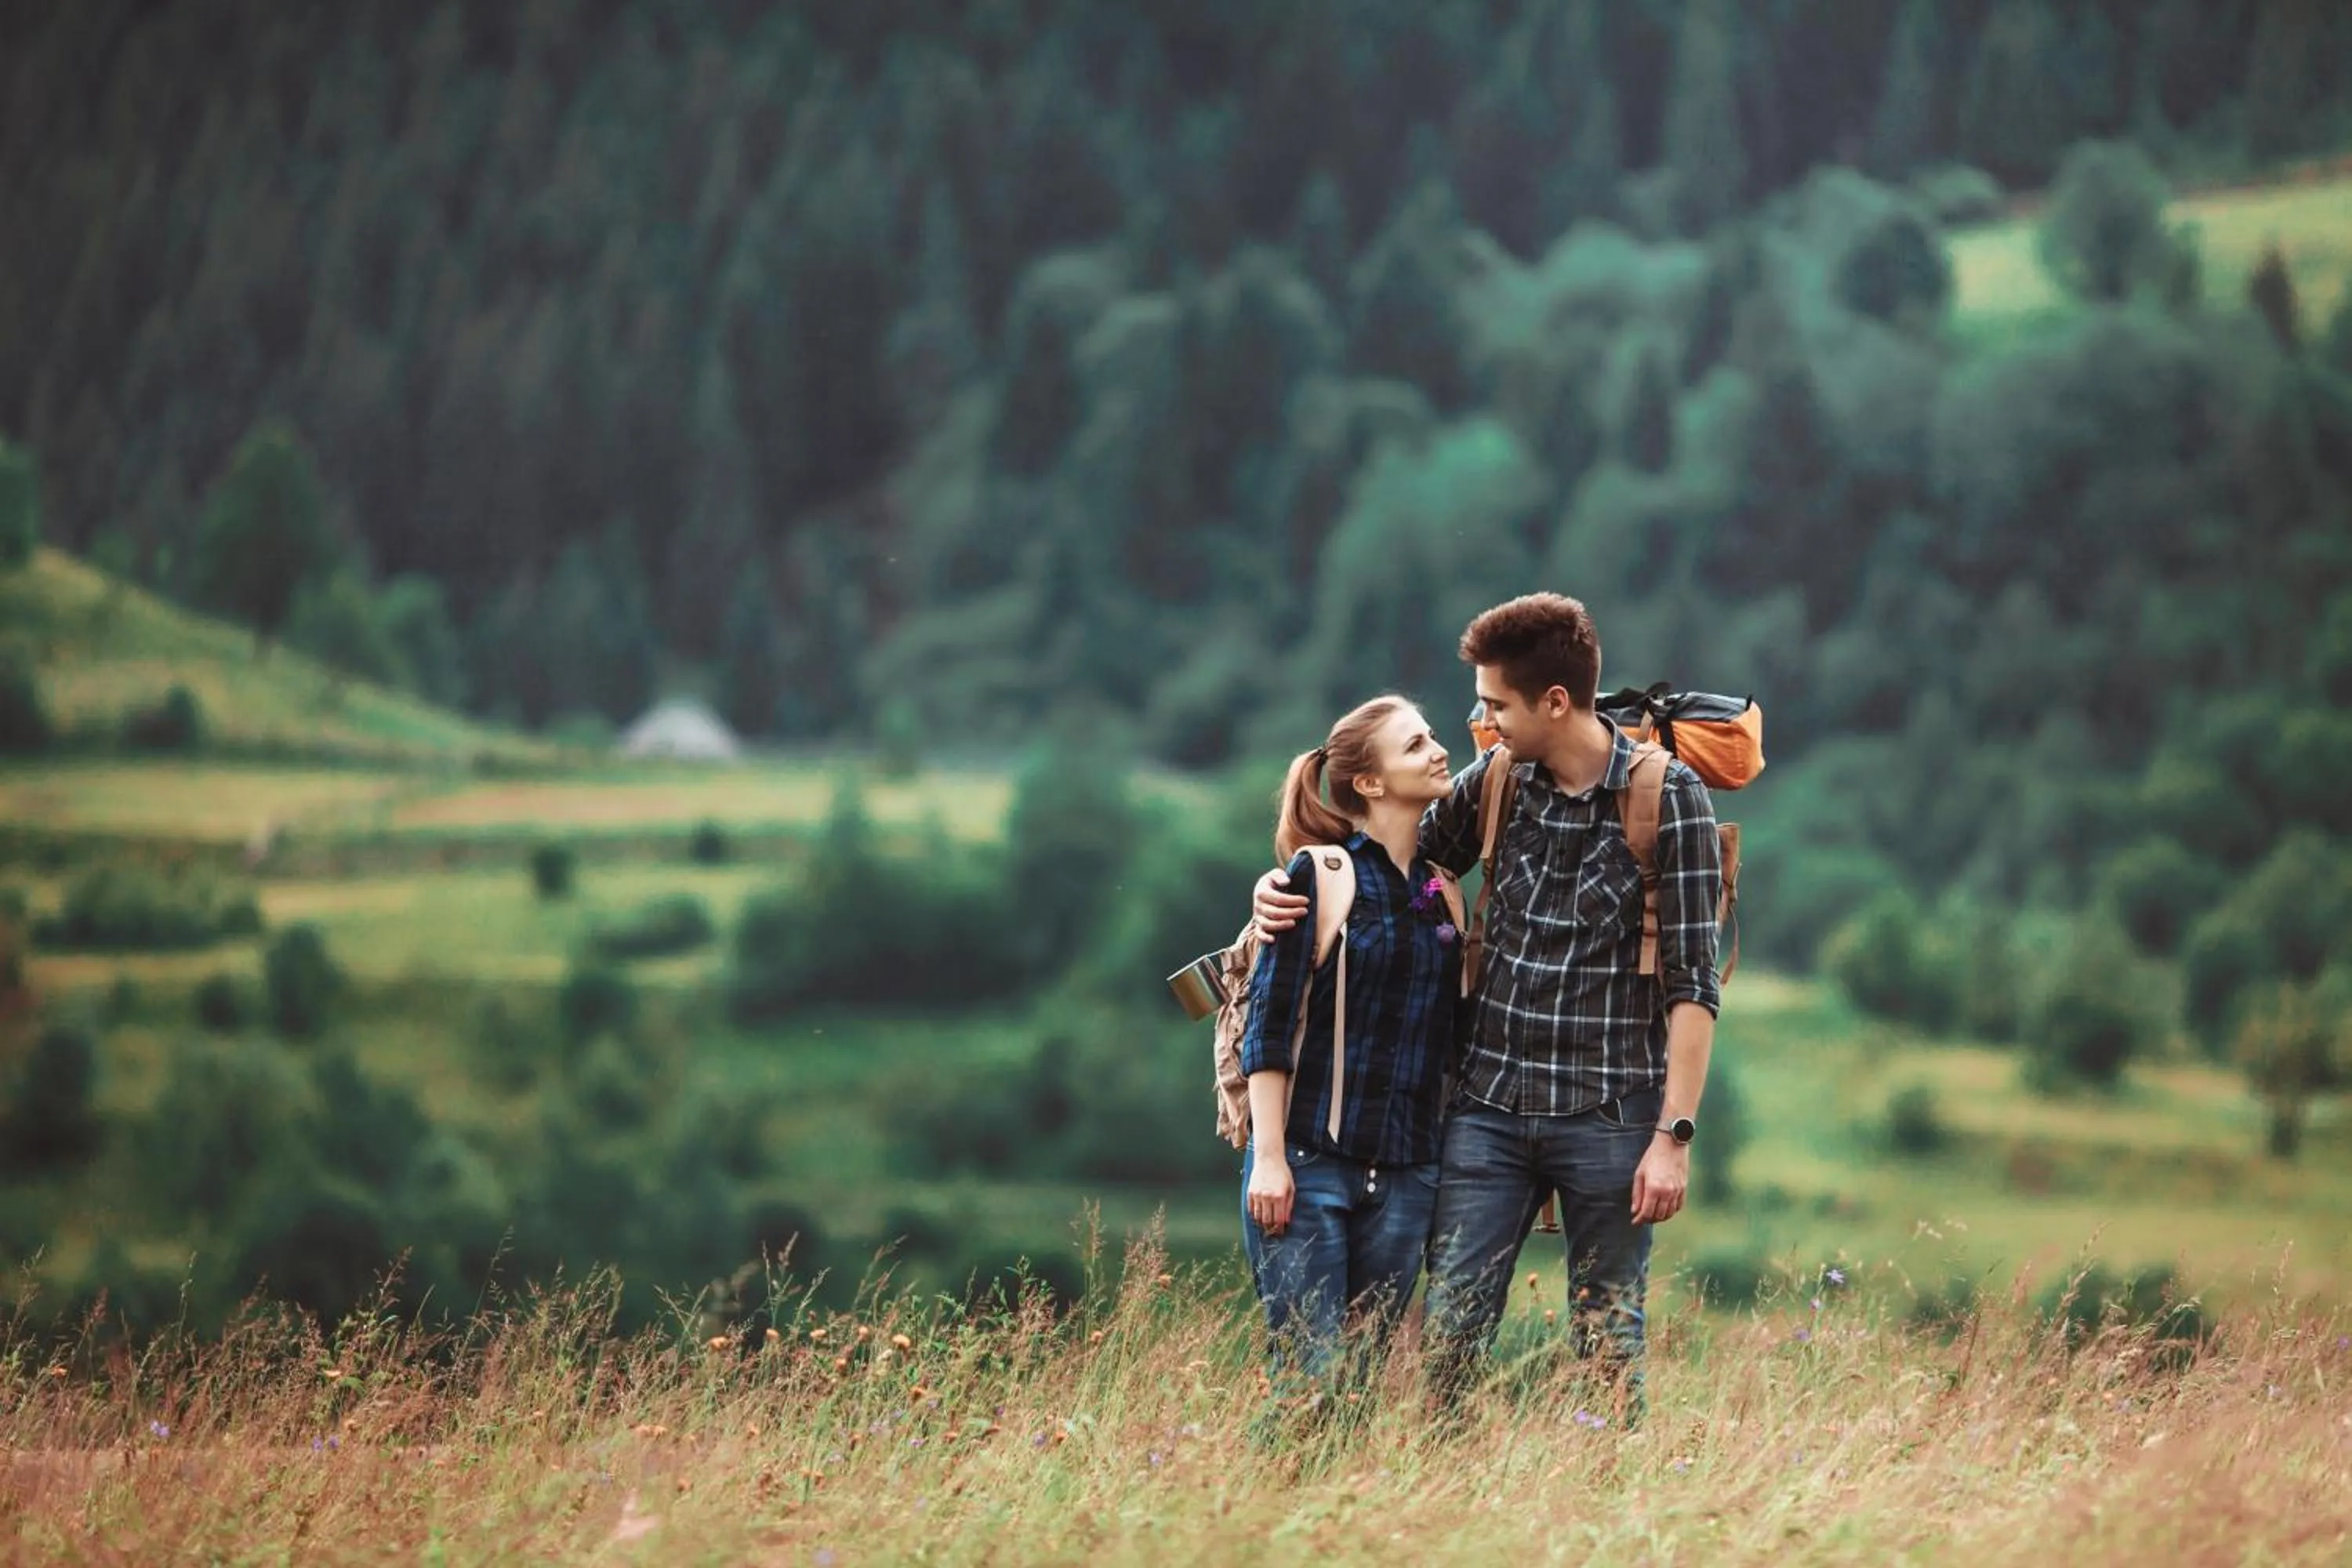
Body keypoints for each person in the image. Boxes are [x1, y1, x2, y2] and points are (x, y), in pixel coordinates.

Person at [1254, 594, 1722, 1426]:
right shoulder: (1499, 779)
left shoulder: (1670, 797)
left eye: (1496, 704)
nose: (1482, 722)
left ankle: (1613, 1491)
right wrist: (1286, 883)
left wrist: (1672, 1139)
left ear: (1554, 701)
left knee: (1609, 1338)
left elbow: (1693, 983)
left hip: (1613, 1114)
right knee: (1450, 1336)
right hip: (1486, 1113)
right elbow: (1390, 864)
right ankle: (1446, 1483)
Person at [1239, 694, 1463, 1417]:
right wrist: (1269, 1160)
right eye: (1416, 745)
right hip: (1309, 1165)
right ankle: (1278, 1487)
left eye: (1433, 736)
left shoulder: (1444, 892)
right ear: (1369, 782)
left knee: (1364, 1387)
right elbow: (1269, 1026)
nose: (1438, 750)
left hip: (1405, 1176)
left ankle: (1343, 1490)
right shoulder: (1320, 875)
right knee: (1306, 1381)